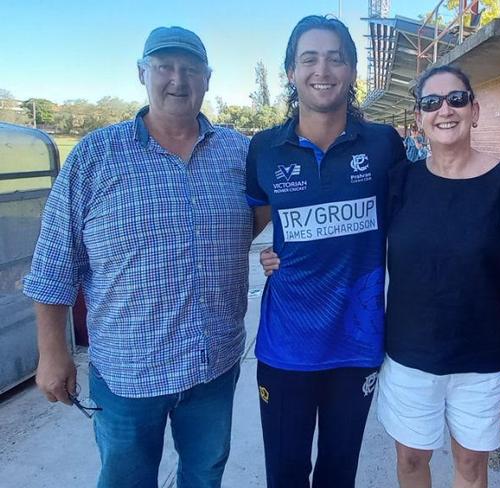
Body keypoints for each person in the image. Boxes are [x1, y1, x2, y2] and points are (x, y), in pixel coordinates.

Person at [23, 26, 255, 488]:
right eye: (164, 67)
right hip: (130, 372)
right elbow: (53, 264)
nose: (177, 79)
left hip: (214, 364)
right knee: (126, 480)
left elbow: (262, 219)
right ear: (141, 74)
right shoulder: (96, 155)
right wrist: (53, 354)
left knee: (205, 474)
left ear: (207, 79)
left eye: (190, 69)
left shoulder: (238, 154)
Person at [246, 15, 406, 488]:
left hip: (356, 346)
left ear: (353, 71)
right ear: (292, 72)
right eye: (309, 58)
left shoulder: (382, 145)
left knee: (339, 475)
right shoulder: (264, 149)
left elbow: (416, 225)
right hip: (284, 349)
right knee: (287, 474)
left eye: (336, 58)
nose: (323, 69)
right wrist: (267, 253)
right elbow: (250, 229)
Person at [378, 65, 500, 488]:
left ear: (475, 109)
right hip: (409, 357)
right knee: (412, 461)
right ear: (419, 117)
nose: (445, 110)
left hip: (486, 361)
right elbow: (349, 245)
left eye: (456, 99)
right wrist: (283, 252)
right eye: (431, 103)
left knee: (471, 468)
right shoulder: (398, 183)